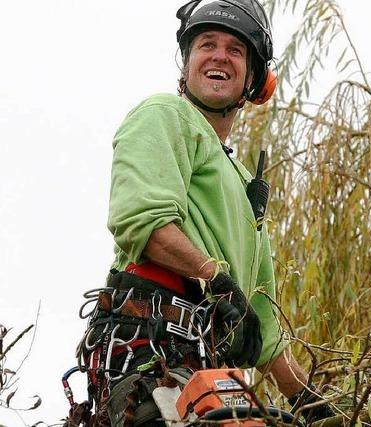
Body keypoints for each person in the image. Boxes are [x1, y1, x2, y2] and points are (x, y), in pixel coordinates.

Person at [75, 1, 335, 426]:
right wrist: (215, 278)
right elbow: (147, 225)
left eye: (235, 50)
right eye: (206, 44)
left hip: (211, 367)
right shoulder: (164, 115)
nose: (219, 56)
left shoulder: (244, 182)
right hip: (151, 350)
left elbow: (263, 326)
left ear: (256, 79)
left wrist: (310, 402)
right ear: (187, 62)